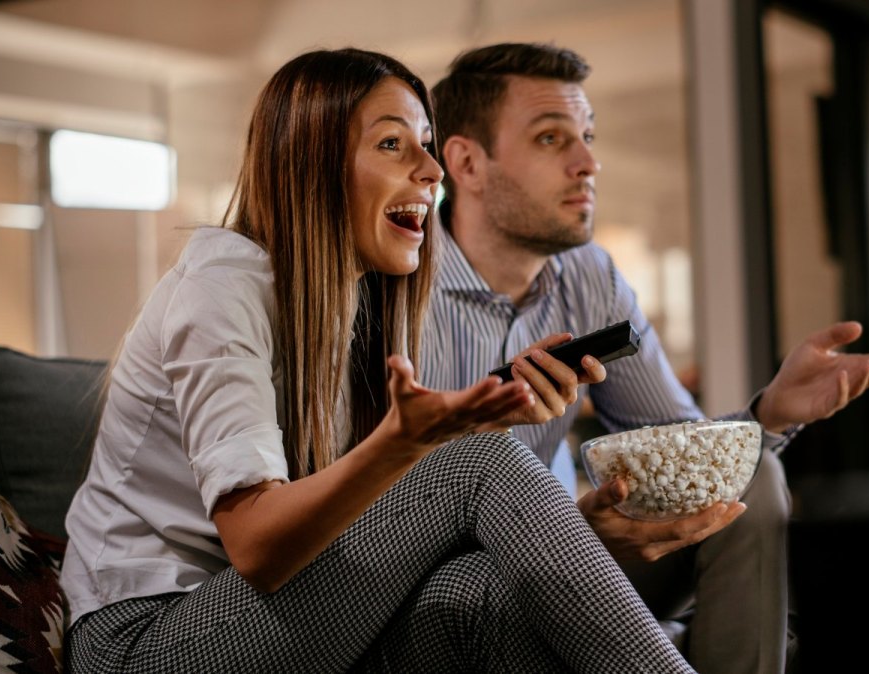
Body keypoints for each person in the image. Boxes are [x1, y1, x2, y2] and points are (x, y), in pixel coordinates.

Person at [59, 47, 698, 673]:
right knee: (481, 460)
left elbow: (368, 516)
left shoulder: (355, 302)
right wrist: (408, 446)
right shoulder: (221, 284)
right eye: (393, 144)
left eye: (426, 142)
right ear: (311, 164)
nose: (431, 169)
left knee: (478, 592)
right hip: (148, 638)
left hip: (280, 609)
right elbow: (256, 545)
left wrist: (501, 448)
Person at [420, 42, 869, 674]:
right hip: (442, 581)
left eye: (589, 136)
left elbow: (676, 448)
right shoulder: (397, 283)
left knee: (751, 478)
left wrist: (768, 415)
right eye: (552, 139)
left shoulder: (592, 277)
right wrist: (565, 532)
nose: (589, 162)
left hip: (573, 554)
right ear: (466, 162)